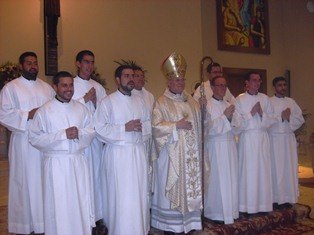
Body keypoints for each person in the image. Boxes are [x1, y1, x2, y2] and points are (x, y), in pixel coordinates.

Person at [29, 71, 95, 235]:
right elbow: (35, 138)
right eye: (64, 85)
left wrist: (79, 133)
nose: (69, 89)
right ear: (55, 87)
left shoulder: (81, 109)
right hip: (56, 165)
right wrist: (62, 135)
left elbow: (92, 131)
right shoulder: (45, 111)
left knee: (78, 203)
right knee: (59, 206)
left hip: (77, 163)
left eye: (71, 85)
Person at [0, 52, 54, 234]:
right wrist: (27, 115)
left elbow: (56, 109)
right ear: (21, 65)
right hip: (23, 143)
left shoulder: (47, 88)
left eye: (35, 63)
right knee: (24, 183)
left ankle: (43, 224)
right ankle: (24, 226)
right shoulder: (11, 88)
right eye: (29, 63)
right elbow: (4, 114)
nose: (33, 66)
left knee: (43, 183)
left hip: (45, 143)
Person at [94, 64, 151, 235]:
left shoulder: (140, 101)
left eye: (132, 75)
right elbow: (99, 129)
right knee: (120, 195)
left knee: (139, 195)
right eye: (126, 76)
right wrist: (123, 128)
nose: (131, 79)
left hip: (137, 152)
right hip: (118, 155)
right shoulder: (108, 102)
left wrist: (143, 128)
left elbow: (149, 123)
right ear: (118, 80)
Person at [151, 52, 202, 234]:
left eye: (183, 80)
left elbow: (201, 128)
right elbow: (155, 127)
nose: (181, 83)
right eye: (177, 80)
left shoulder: (193, 103)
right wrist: (175, 126)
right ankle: (170, 226)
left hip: (190, 161)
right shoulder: (161, 102)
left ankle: (189, 224)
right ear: (169, 82)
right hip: (170, 158)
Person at [232, 72, 275, 214]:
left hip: (262, 139)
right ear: (247, 83)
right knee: (248, 173)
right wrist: (251, 113)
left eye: (259, 80)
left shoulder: (265, 99)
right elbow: (236, 124)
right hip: (247, 140)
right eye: (254, 80)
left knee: (263, 172)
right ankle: (247, 206)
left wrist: (262, 113)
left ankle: (263, 205)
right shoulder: (239, 99)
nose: (257, 83)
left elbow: (273, 120)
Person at [72, 50, 107, 224]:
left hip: (95, 142)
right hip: (79, 142)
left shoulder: (98, 87)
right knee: (82, 179)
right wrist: (83, 100)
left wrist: (96, 103)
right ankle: (83, 216)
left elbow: (106, 112)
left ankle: (97, 216)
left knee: (96, 178)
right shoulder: (71, 85)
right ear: (78, 64)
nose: (89, 66)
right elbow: (65, 108)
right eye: (86, 62)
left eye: (92, 62)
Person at [204, 75, 238, 224]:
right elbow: (208, 129)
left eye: (225, 85)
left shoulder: (229, 104)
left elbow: (238, 126)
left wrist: (231, 119)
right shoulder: (207, 105)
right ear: (212, 88)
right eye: (219, 85)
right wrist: (225, 117)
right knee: (216, 180)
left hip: (230, 146)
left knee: (230, 178)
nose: (223, 88)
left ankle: (231, 211)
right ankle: (215, 213)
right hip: (215, 147)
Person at [268, 76, 304, 209]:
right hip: (275, 140)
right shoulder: (269, 102)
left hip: (288, 139)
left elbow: (299, 119)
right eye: (279, 85)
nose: (282, 87)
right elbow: (266, 120)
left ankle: (288, 197)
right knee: (276, 168)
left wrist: (289, 119)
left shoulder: (291, 102)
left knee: (288, 168)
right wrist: (280, 118)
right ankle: (275, 198)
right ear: (274, 87)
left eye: (284, 85)